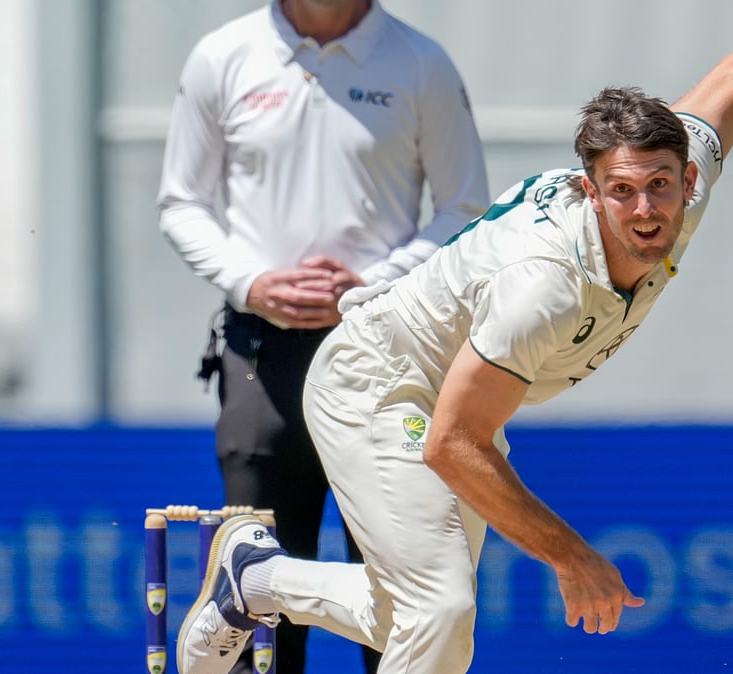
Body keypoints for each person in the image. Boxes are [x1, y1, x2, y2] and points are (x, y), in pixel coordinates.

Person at [175, 4, 733, 673]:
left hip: (439, 386)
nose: (646, 211)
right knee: (443, 607)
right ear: (591, 191)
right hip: (378, 384)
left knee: (415, 618)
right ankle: (260, 579)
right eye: (621, 192)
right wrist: (572, 557)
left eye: (661, 185)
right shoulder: (545, 285)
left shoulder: (682, 176)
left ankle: (258, 578)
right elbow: (454, 443)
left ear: (689, 175)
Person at [156, 0, 489, 672]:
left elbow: (467, 207)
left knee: (409, 593)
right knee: (258, 599)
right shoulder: (223, 55)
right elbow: (180, 203)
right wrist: (251, 282)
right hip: (262, 350)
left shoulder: (421, 61)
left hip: (391, 353)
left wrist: (370, 281)